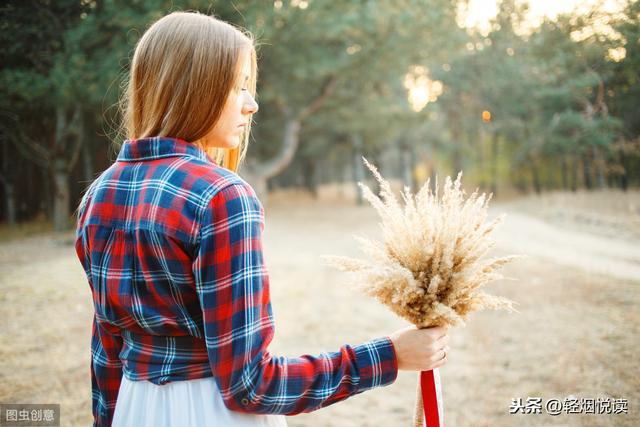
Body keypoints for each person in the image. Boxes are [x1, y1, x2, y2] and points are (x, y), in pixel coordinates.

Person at [74, 11, 450, 427]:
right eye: (239, 87)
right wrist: (389, 355)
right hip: (211, 415)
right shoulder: (221, 197)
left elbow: (107, 353)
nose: (252, 104)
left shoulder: (100, 193)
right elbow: (250, 386)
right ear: (194, 89)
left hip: (133, 410)